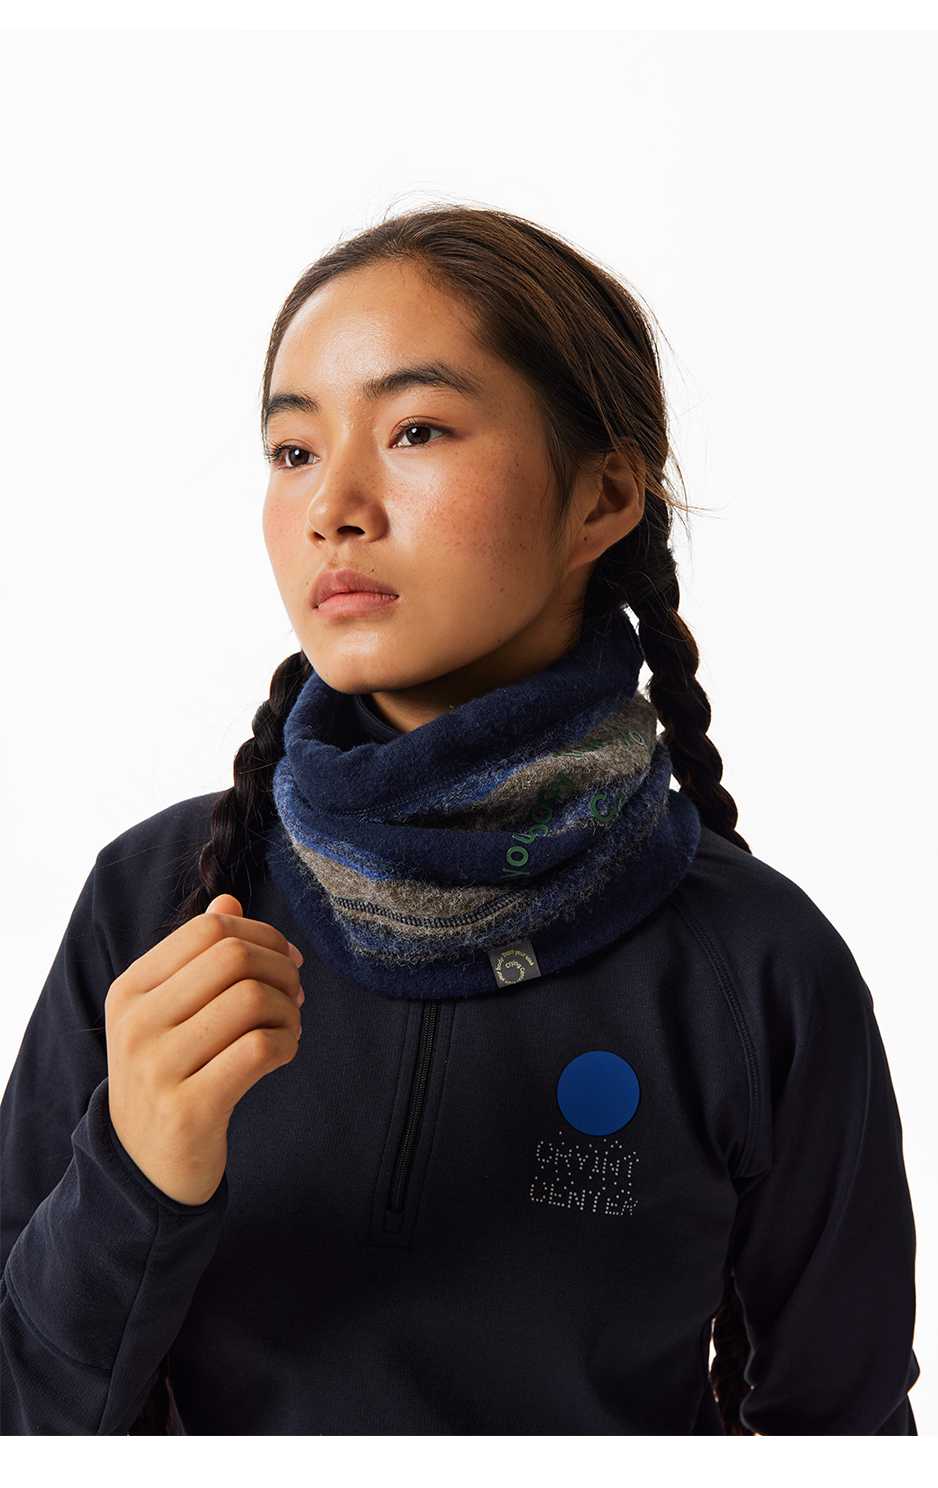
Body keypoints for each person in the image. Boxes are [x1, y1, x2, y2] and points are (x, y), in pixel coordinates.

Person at [0, 206, 919, 1436]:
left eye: (415, 431)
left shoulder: (758, 967)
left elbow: (843, 1432)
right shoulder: (156, 899)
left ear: (600, 496)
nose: (334, 506)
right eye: (292, 450)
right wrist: (137, 1167)